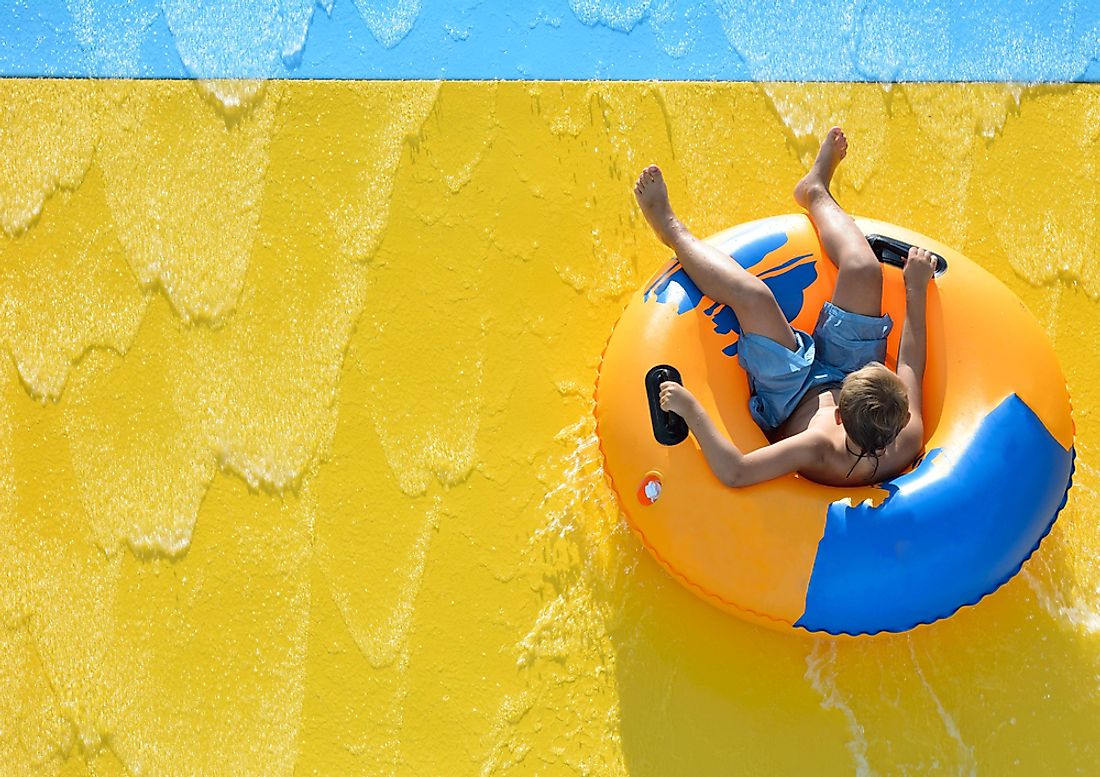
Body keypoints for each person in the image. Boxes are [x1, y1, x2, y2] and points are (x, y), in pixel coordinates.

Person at [633, 126, 935, 487]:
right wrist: (914, 288)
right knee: (863, 269)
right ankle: (815, 192)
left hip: (791, 392)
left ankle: (670, 229)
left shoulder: (820, 445)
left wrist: (690, 408)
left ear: (837, 416)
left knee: (754, 296)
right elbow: (910, 363)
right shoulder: (908, 433)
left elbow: (737, 471)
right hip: (847, 370)